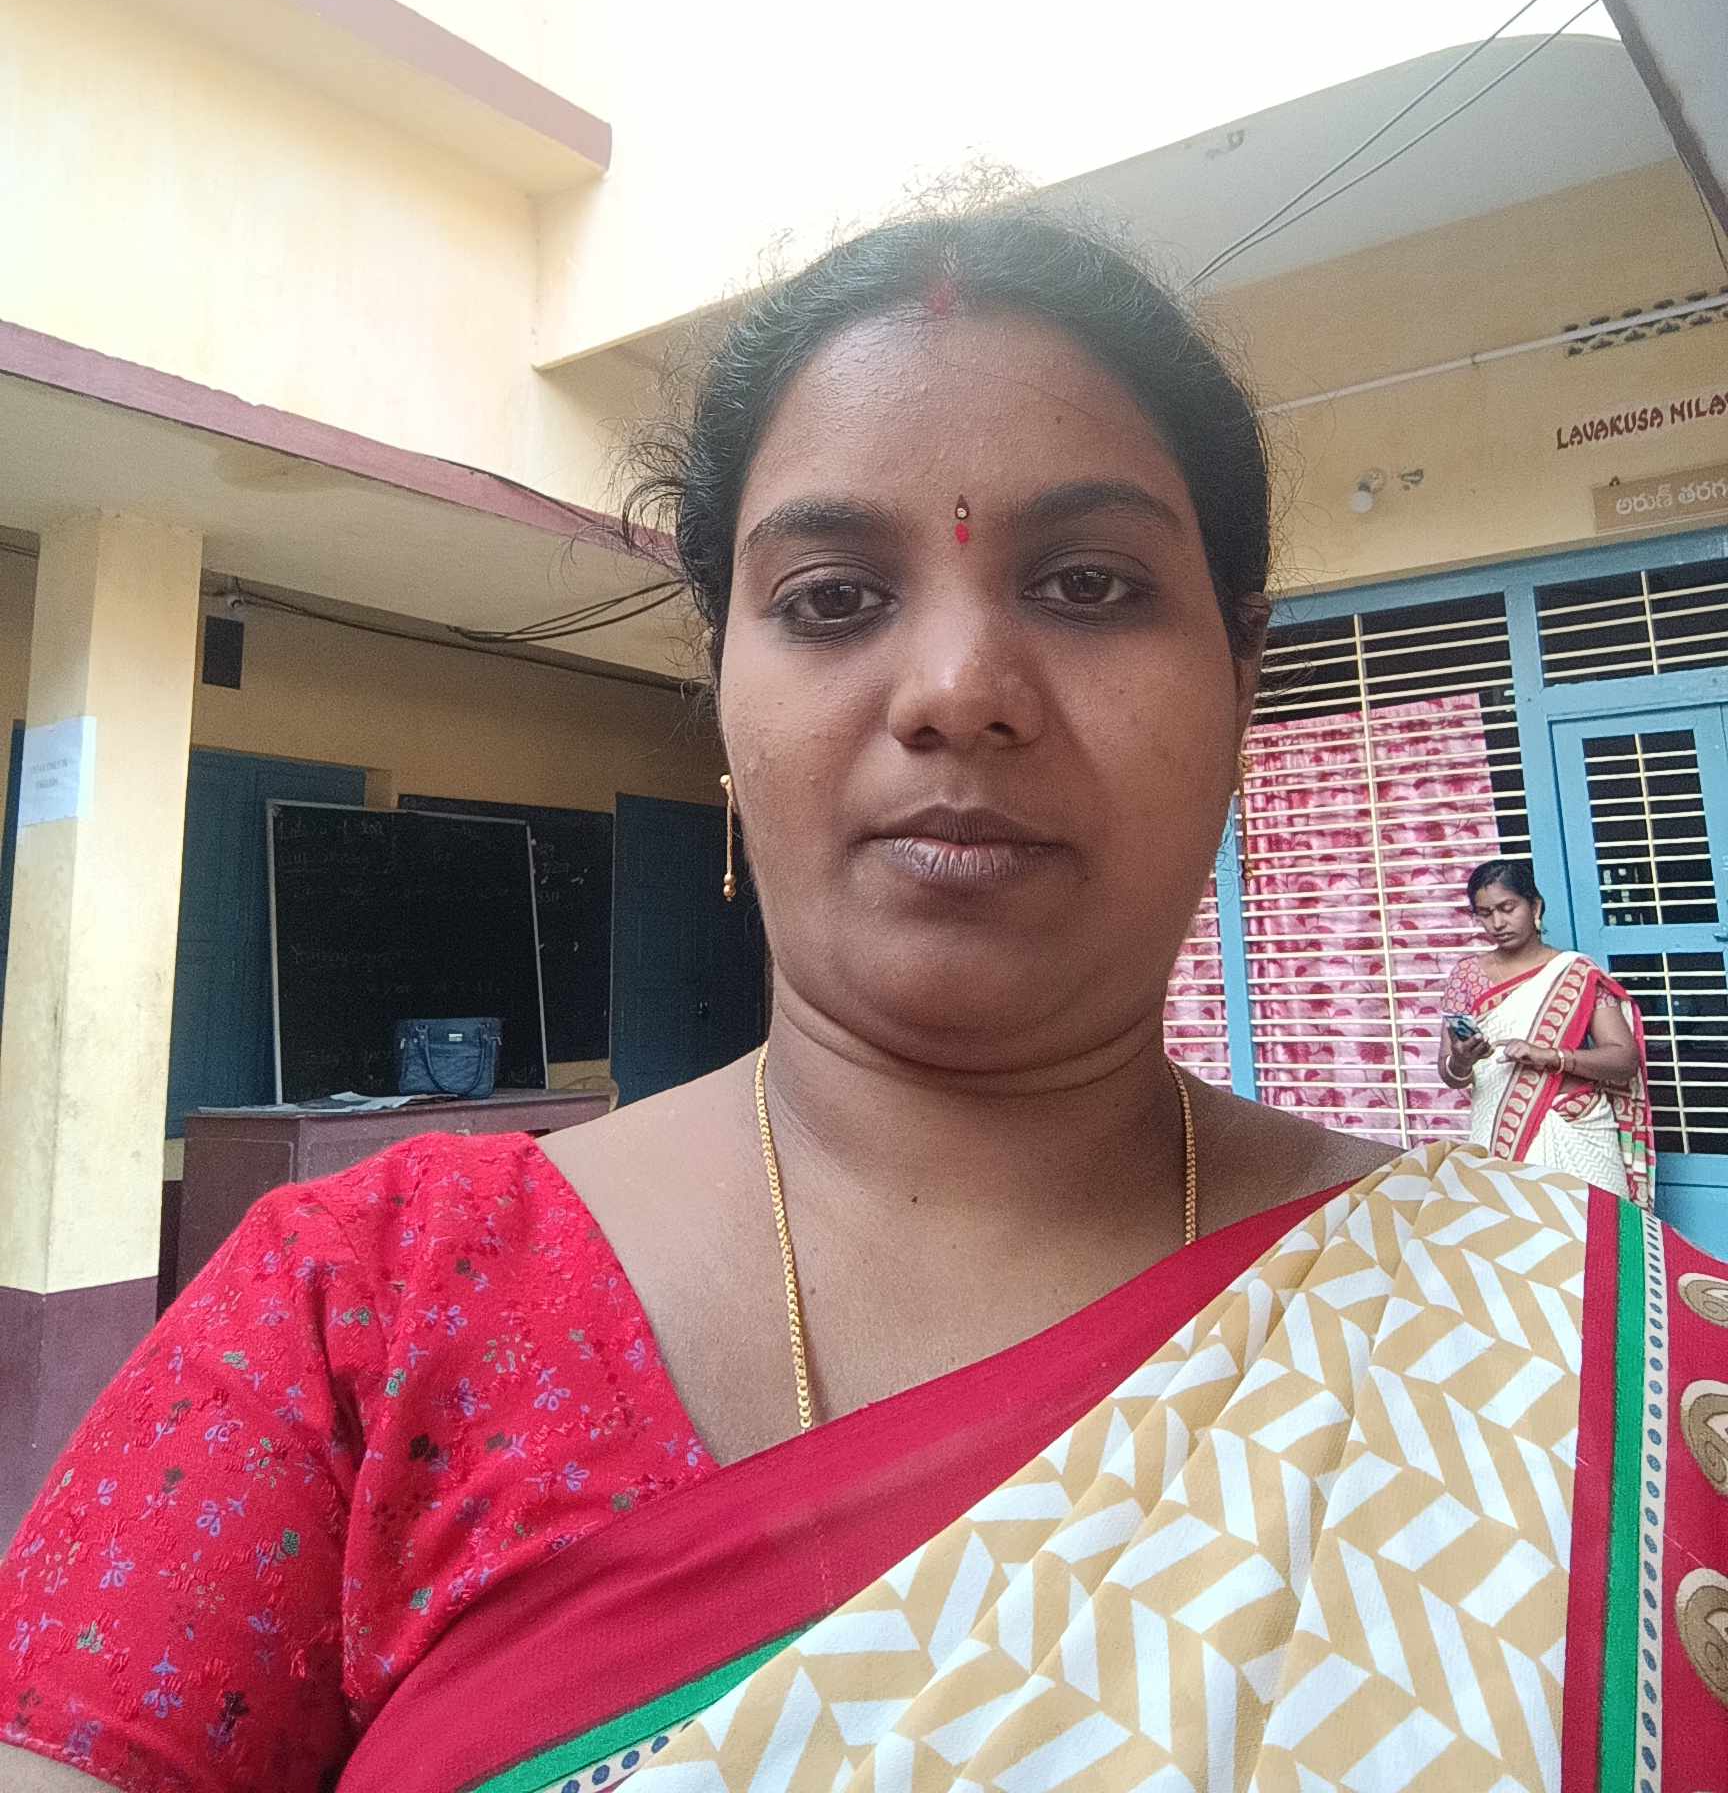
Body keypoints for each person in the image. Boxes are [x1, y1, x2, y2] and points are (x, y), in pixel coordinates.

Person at [4, 205, 1726, 1793]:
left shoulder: (1599, 1370)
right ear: (719, 691)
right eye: (831, 599)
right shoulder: (356, 1317)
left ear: (1240, 677)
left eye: (1087, 583)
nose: (959, 689)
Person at [1438, 856, 1656, 1204]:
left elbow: (1623, 1060)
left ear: (1535, 906)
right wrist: (1462, 1061)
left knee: (1595, 1231)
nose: (1497, 922)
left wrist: (1551, 1057)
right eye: (1485, 913)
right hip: (1498, 1130)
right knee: (1512, 1228)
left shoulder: (1576, 973)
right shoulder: (1467, 977)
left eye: (1508, 908)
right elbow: (1450, 1073)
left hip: (1575, 1124)